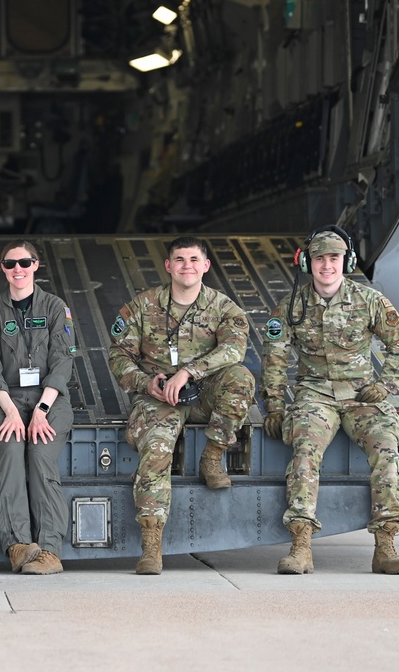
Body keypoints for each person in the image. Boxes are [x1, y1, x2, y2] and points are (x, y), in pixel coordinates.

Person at [261, 228, 399, 575]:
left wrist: (386, 383)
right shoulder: (291, 307)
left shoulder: (369, 300)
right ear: (307, 263)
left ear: (347, 261)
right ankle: (301, 546)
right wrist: (274, 405)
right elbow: (274, 357)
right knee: (304, 450)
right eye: (320, 258)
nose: (327, 265)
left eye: (334, 258)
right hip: (315, 394)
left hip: (361, 395)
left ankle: (386, 546)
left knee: (387, 449)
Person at [108, 236, 254, 575]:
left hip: (202, 392)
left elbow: (234, 349)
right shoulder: (143, 306)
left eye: (193, 259)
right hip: (159, 395)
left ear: (205, 266)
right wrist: (148, 383)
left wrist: (189, 372)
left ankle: (213, 457)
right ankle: (151, 546)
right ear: (168, 266)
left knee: (241, 377)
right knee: (156, 452)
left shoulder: (224, 308)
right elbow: (119, 354)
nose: (186, 265)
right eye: (179, 259)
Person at [0, 241, 76, 574]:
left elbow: (62, 362)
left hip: (51, 399)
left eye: (25, 262)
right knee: (12, 450)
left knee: (41, 453)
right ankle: (17, 545)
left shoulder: (56, 307)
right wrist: (11, 410)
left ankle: (49, 551)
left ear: (36, 264)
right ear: (2, 268)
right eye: (10, 263)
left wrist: (42, 409)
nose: (18, 269)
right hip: (6, 398)